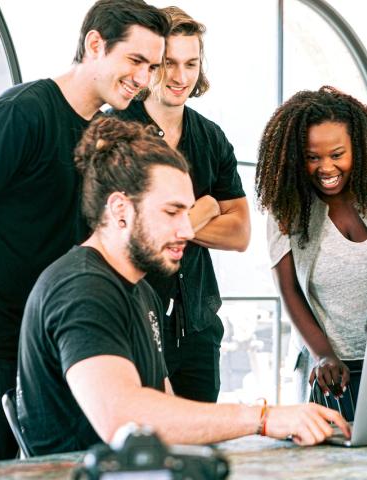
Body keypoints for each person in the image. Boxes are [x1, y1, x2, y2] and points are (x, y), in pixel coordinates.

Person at [16, 116, 349, 456]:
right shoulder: (82, 288)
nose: (188, 231)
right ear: (120, 209)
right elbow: (124, 419)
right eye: (172, 212)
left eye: (187, 212)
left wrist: (274, 428)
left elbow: (168, 410)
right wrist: (262, 419)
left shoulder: (141, 291)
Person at [0, 0, 169, 460]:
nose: (144, 79)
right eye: (135, 60)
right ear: (95, 44)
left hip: (61, 345)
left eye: (152, 66)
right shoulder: (22, 113)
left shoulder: (108, 133)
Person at [256, 86, 367, 405]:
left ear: (359, 146)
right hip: (333, 372)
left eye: (337, 154)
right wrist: (323, 355)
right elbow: (289, 290)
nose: (325, 168)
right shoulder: (285, 204)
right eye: (313, 157)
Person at [112, 6, 250, 403]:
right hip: (133, 322)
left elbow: (240, 233)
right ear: (150, 64)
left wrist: (170, 222)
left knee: (200, 450)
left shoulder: (211, 137)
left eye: (191, 63)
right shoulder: (116, 131)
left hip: (199, 327)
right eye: (168, 63)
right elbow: (124, 233)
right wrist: (206, 208)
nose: (180, 76)